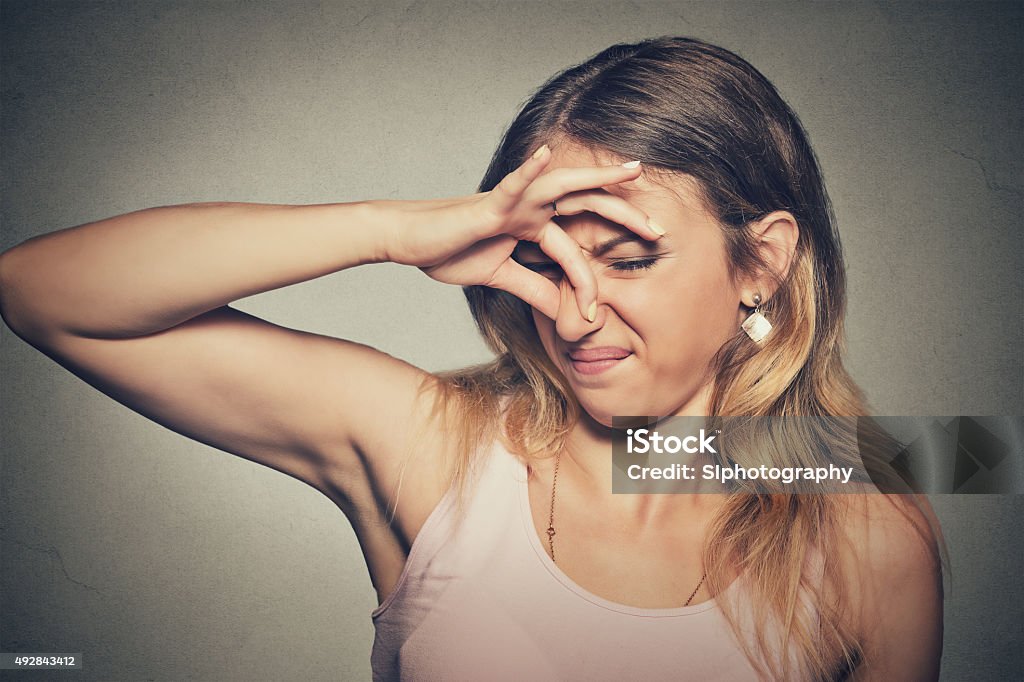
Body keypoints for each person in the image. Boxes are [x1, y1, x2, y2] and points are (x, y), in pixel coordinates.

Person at [0, 36, 945, 681]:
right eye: (544, 260)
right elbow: (40, 293)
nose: (577, 313)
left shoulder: (869, 532)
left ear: (762, 262)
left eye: (627, 258)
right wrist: (394, 229)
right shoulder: (433, 445)